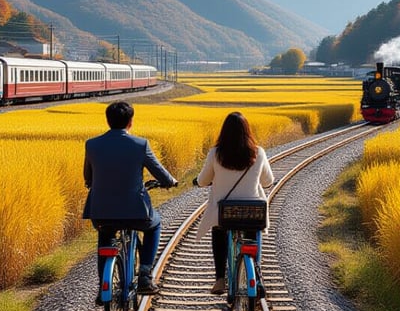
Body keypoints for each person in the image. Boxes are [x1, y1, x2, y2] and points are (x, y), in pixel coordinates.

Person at [83, 101, 177, 298]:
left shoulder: (92, 144)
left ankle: (103, 287)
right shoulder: (140, 145)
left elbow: (88, 178)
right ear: (130, 122)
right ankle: (144, 274)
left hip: (101, 212)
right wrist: (170, 182)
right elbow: (161, 173)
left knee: (105, 237)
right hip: (136, 212)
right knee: (155, 225)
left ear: (108, 121)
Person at [193, 112, 274, 294]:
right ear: (247, 132)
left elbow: (204, 180)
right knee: (252, 237)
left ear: (224, 132)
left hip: (225, 212)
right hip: (253, 212)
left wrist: (197, 182)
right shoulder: (258, 152)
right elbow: (268, 181)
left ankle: (220, 279)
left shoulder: (216, 153)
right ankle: (257, 273)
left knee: (218, 231)